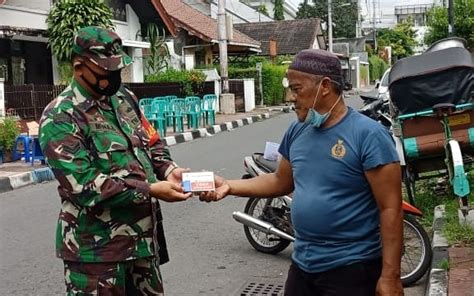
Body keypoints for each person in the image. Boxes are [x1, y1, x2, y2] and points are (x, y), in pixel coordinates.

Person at [200, 49, 404, 296]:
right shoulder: (297, 131)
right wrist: (228, 186)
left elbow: (391, 208)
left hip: (352, 267)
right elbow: (279, 181)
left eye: (296, 89)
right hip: (303, 264)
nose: (290, 97)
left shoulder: (369, 135)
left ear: (325, 87)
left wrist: (390, 277)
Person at [39, 26, 192, 295]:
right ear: (79, 68)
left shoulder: (124, 99)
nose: (113, 77)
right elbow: (84, 186)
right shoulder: (60, 117)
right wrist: (151, 189)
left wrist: (168, 170)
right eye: (106, 71)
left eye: (118, 69)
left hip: (143, 244)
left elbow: (151, 141)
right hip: (96, 256)